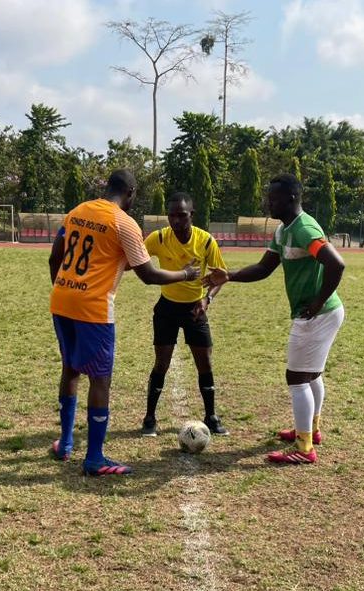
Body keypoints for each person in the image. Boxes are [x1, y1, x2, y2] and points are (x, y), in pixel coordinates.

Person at [48, 169, 199, 476]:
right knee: (100, 379)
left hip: (62, 300)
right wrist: (185, 274)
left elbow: (55, 257)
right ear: (131, 193)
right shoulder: (123, 223)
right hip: (93, 309)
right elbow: (149, 275)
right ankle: (94, 458)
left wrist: (66, 290)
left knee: (70, 368)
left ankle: (64, 444)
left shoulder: (78, 211)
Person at [204, 174, 345, 464]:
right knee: (312, 374)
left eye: (274, 197)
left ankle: (305, 448)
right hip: (320, 313)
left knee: (296, 377)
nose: (269, 201)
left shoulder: (304, 228)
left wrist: (317, 302)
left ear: (292, 198)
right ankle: (311, 430)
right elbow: (265, 267)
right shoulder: (283, 231)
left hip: (318, 313)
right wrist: (229, 276)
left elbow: (336, 263)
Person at [141, 192, 228, 437]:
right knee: (162, 362)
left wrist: (207, 298)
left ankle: (211, 416)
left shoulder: (206, 241)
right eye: (171, 216)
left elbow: (220, 277)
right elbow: (137, 260)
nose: (176, 221)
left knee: (205, 363)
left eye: (182, 215)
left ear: (192, 214)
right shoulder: (158, 238)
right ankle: (149, 418)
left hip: (195, 309)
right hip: (167, 308)